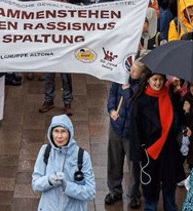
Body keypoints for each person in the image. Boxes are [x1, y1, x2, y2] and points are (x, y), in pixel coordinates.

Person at [131, 70, 183, 211]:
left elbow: (176, 118)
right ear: (148, 80)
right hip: (150, 150)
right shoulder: (140, 101)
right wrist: (138, 153)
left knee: (169, 184)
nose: (158, 83)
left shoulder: (169, 94)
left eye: (160, 79)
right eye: (155, 79)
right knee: (150, 188)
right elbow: (135, 128)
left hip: (168, 149)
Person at [31, 114, 96, 210]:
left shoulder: (82, 156)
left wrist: (67, 186)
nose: (59, 136)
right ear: (51, 132)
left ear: (70, 133)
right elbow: (35, 184)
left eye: (63, 131)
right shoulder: (45, 151)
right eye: (56, 131)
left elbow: (90, 193)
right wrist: (49, 180)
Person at [105, 59, 145, 207]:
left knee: (133, 165)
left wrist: (127, 90)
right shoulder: (120, 79)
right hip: (116, 127)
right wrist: (112, 110)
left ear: (141, 75)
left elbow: (134, 107)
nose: (131, 72)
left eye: (135, 71)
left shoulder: (142, 88)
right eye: (131, 69)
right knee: (114, 161)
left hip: (131, 132)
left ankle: (134, 195)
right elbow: (113, 95)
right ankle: (114, 191)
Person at [40, 0, 75, 116]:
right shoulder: (46, 14)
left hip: (64, 51)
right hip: (50, 51)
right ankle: (48, 100)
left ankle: (67, 102)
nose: (56, 1)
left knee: (66, 78)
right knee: (49, 77)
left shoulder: (71, 14)